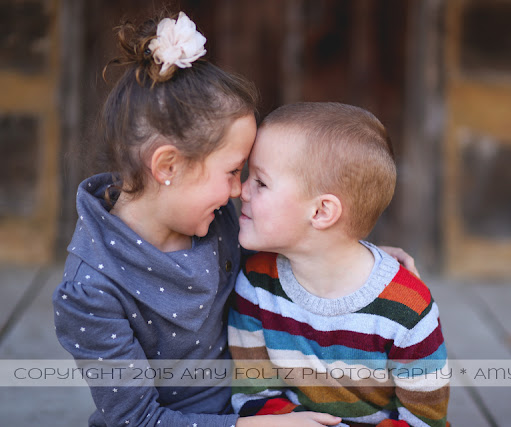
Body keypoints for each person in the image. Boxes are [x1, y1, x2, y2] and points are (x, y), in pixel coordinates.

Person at [52, 11, 415, 427]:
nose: (239, 190)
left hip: (258, 401)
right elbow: (136, 420)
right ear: (168, 166)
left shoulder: (217, 220)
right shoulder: (90, 291)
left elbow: (287, 249)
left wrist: (348, 257)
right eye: (232, 172)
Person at [228, 102, 450, 427]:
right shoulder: (257, 284)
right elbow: (254, 394)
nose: (241, 190)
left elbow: (425, 419)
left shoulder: (406, 309)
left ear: (320, 212)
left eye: (260, 182)